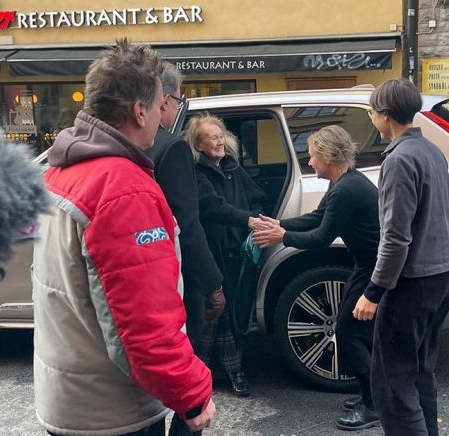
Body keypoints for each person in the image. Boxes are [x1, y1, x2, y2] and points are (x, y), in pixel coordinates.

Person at [32, 40, 215, 436]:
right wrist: (192, 392)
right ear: (139, 110)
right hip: (112, 412)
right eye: (159, 103)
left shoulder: (61, 171)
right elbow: (144, 324)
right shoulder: (121, 189)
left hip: (69, 399)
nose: (162, 113)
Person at [252, 125, 381, 431]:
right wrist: (278, 223)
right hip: (365, 264)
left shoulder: (346, 189)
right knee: (357, 331)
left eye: (312, 156)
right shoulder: (344, 183)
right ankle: (370, 394)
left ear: (328, 156)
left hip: (373, 267)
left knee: (348, 332)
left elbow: (322, 237)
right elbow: (317, 217)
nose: (309, 162)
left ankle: (374, 404)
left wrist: (281, 235)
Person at [354, 78, 449, 436]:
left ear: (385, 115)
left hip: (411, 284)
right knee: (419, 374)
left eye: (370, 112)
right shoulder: (432, 151)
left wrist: (374, 291)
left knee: (392, 385)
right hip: (443, 277)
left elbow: (396, 238)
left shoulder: (399, 159)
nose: (370, 118)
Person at [144, 62, 226, 343]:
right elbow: (186, 223)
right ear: (165, 101)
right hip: (174, 271)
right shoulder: (173, 147)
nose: (179, 107)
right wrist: (212, 283)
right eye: (179, 100)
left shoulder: (131, 143)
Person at [185, 113, 265, 397]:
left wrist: (255, 221)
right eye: (212, 137)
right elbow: (213, 207)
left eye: (221, 136)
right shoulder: (196, 174)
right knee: (214, 311)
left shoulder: (233, 166)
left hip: (238, 251)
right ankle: (218, 373)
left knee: (234, 313)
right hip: (211, 251)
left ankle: (227, 371)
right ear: (198, 145)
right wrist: (250, 221)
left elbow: (256, 197)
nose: (219, 141)